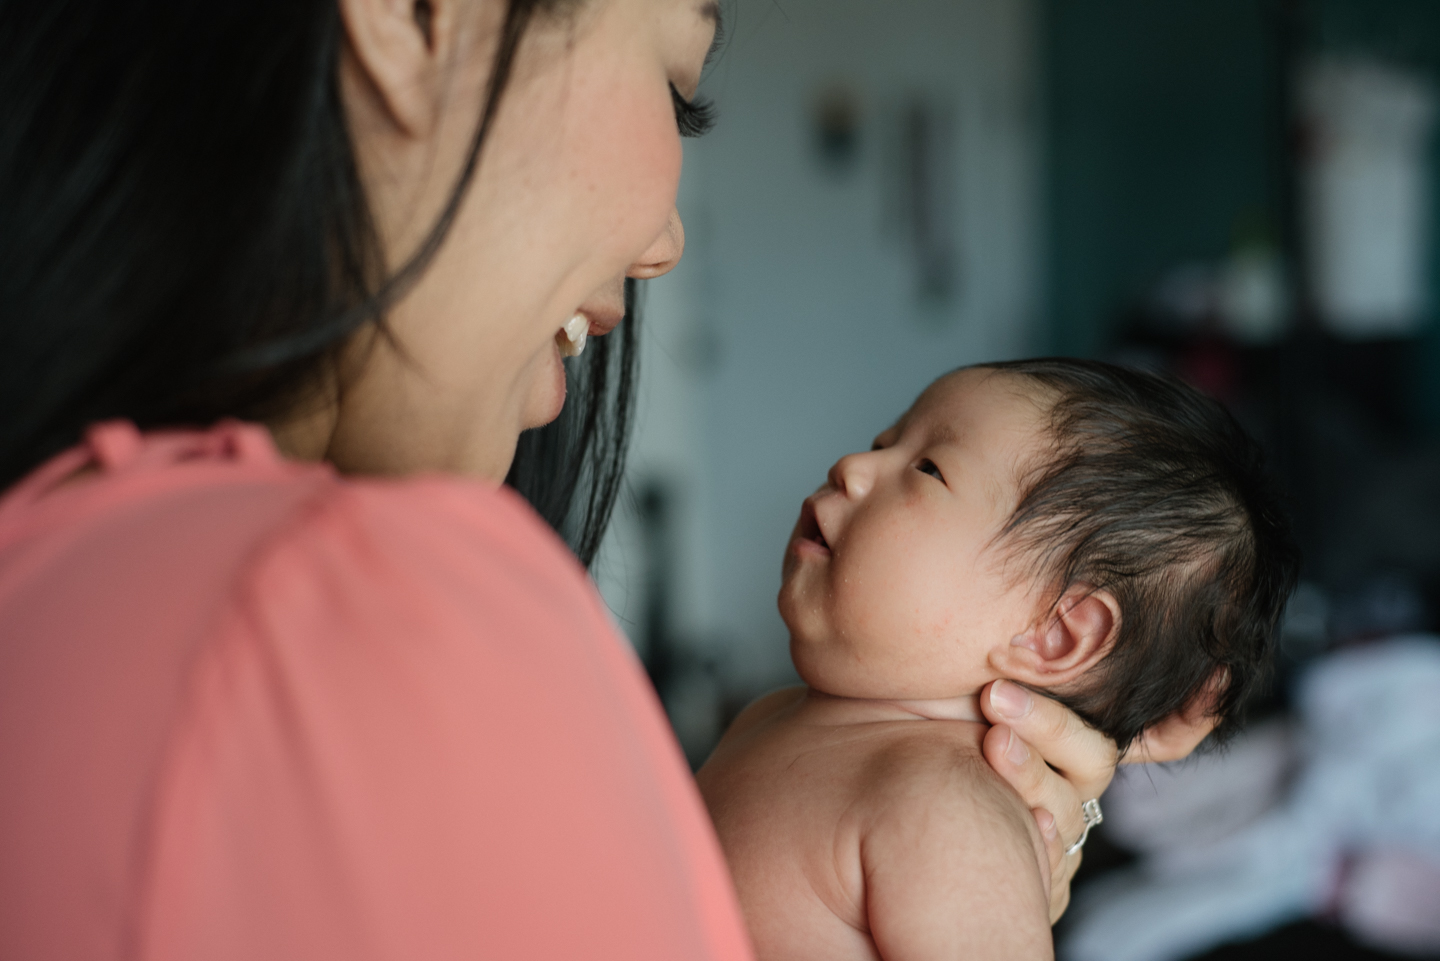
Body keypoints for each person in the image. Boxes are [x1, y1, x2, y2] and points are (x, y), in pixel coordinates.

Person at [0, 0, 1215, 956]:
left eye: (930, 466)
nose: (664, 241)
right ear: (419, 11)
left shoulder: (57, 553)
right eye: (679, 93)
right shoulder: (346, 588)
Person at [697, 360, 1300, 960]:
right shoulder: (772, 714)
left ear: (1056, 634)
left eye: (928, 469)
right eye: (884, 442)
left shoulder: (949, 811)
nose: (852, 466)